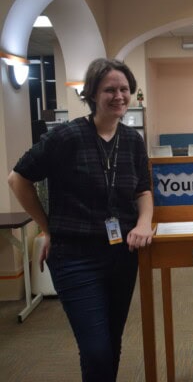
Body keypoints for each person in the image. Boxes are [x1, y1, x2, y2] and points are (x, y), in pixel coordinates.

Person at [7, 58, 154, 382]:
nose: (119, 95)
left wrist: (144, 224)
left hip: (121, 256)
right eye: (110, 89)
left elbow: (143, 190)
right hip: (75, 256)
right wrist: (47, 228)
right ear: (92, 94)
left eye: (124, 89)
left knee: (111, 342)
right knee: (95, 347)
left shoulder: (132, 140)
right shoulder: (68, 137)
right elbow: (18, 179)